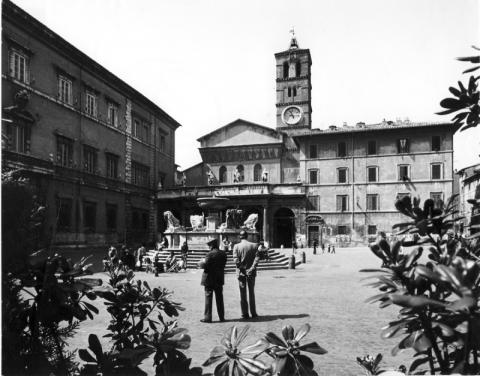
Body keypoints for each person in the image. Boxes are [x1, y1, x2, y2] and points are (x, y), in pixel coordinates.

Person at [233, 230, 260, 319]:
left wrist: (243, 269)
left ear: (240, 237)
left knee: (243, 294)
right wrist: (251, 268)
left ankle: (245, 313)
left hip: (241, 273)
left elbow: (236, 260)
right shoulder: (254, 245)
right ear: (247, 236)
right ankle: (253, 312)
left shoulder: (236, 246)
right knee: (252, 293)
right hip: (251, 273)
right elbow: (257, 258)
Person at [200, 239, 227, 323]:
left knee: (208, 297)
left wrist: (200, 263)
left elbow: (205, 265)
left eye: (209, 246)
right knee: (219, 297)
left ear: (211, 246)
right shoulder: (223, 254)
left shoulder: (209, 254)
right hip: (219, 277)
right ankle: (221, 316)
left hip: (209, 278)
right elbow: (223, 264)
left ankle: (208, 317)